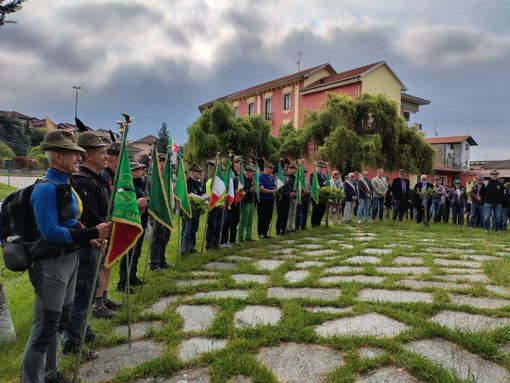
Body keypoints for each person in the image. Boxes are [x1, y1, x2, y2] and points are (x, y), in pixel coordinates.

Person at [22, 130, 111, 383]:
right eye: (75, 154)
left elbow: (72, 221)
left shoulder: (66, 185)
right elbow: (50, 232)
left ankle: (51, 372)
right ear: (57, 156)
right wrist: (93, 232)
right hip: (51, 265)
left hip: (70, 260)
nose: (79, 158)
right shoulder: (46, 190)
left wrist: (88, 236)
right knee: (44, 327)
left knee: (61, 320)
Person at [63, 131, 110, 355]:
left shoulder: (95, 180)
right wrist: (95, 235)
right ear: (88, 155)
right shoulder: (82, 181)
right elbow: (84, 218)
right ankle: (73, 342)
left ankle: (83, 329)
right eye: (102, 152)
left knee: (87, 292)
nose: (106, 157)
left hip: (95, 242)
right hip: (86, 246)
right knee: (81, 294)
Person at [117, 162, 148, 292]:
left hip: (141, 222)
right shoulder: (126, 186)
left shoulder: (140, 184)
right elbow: (124, 203)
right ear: (133, 172)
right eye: (140, 169)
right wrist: (137, 204)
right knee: (128, 253)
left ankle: (132, 276)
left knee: (136, 252)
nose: (142, 171)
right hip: (131, 223)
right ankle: (123, 282)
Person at [149, 153, 172, 271]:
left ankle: (162, 260)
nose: (162, 164)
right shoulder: (152, 177)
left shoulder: (166, 177)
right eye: (160, 161)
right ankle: (154, 262)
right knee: (157, 237)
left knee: (165, 236)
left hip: (166, 211)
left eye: (163, 161)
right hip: (156, 211)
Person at [182, 163, 208, 254]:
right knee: (187, 230)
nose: (200, 173)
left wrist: (207, 201)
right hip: (188, 210)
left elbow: (202, 193)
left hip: (196, 211)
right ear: (192, 172)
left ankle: (192, 247)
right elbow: (189, 195)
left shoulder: (198, 183)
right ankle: (184, 249)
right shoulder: (187, 182)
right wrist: (203, 198)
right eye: (198, 171)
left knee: (194, 229)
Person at [221, 156, 241, 246]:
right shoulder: (230, 173)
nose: (240, 164)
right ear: (234, 163)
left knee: (236, 220)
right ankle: (224, 240)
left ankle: (233, 239)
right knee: (227, 221)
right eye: (238, 162)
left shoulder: (239, 174)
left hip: (237, 199)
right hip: (230, 199)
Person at [258, 162, 277, 238]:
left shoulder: (271, 177)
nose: (272, 170)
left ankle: (265, 232)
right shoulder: (261, 176)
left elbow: (274, 186)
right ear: (265, 168)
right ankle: (260, 233)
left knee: (268, 217)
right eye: (270, 168)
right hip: (263, 200)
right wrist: (272, 191)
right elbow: (261, 189)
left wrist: (275, 189)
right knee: (262, 217)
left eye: (272, 168)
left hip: (270, 200)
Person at [238, 165, 255, 242]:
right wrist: (250, 190)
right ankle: (240, 238)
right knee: (243, 221)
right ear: (247, 172)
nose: (253, 174)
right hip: (245, 201)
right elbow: (242, 191)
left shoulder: (251, 180)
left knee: (250, 221)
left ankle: (248, 236)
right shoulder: (243, 179)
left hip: (251, 201)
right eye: (251, 172)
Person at [310, 161, 327, 227]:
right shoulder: (313, 174)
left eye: (322, 167)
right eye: (319, 167)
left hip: (322, 195)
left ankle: (318, 222)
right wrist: (322, 184)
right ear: (316, 167)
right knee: (316, 209)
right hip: (316, 194)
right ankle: (314, 223)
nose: (321, 168)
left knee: (323, 208)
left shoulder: (324, 176)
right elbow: (313, 184)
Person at [286, 163, 298, 232]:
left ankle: (291, 227)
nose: (292, 170)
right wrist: (290, 193)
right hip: (289, 196)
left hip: (295, 196)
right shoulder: (287, 176)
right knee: (288, 213)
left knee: (293, 213)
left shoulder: (295, 177)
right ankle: (287, 227)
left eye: (293, 168)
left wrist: (296, 193)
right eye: (291, 168)